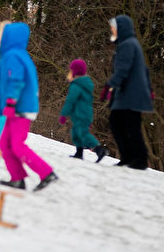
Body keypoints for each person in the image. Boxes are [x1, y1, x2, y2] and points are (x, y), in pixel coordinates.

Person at [0, 21, 58, 192]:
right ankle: (17, 178)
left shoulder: (13, 55)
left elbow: (15, 81)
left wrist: (10, 103)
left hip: (19, 108)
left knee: (16, 145)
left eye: (1, 36)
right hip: (19, 107)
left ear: (9, 38)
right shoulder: (17, 54)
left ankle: (46, 173)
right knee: (5, 144)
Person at [101, 15, 154, 170]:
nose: (112, 30)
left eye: (113, 28)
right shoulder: (130, 44)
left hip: (130, 93)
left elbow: (123, 70)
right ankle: (129, 157)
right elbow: (144, 69)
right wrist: (149, 88)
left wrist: (109, 86)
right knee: (120, 123)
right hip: (128, 92)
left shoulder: (127, 45)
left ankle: (139, 159)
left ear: (121, 29)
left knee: (126, 124)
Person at [59, 59, 107, 162]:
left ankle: (99, 150)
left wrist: (63, 114)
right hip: (85, 113)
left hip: (80, 113)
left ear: (74, 72)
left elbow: (70, 101)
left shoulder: (76, 86)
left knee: (83, 134)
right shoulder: (85, 85)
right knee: (76, 133)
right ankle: (79, 152)